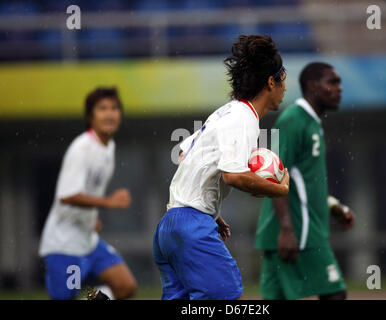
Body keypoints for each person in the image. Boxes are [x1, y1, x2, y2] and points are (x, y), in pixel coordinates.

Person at [153, 35, 289, 300]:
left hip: (170, 225)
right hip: (190, 225)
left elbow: (185, 156)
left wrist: (211, 211)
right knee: (228, 300)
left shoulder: (224, 112)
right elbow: (233, 175)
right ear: (271, 82)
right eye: (283, 78)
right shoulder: (244, 118)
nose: (286, 87)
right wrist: (279, 189)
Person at [255, 62, 355, 300]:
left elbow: (303, 179)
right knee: (335, 294)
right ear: (312, 86)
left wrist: (332, 205)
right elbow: (274, 176)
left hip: (291, 232)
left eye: (339, 83)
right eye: (332, 82)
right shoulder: (293, 119)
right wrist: (287, 230)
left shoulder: (311, 122)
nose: (339, 89)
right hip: (300, 234)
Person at [39, 87, 137, 300]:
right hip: (65, 246)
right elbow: (67, 195)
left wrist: (90, 219)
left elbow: (85, 192)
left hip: (89, 241)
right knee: (66, 297)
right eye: (102, 109)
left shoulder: (108, 147)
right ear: (89, 117)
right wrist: (108, 202)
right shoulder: (81, 148)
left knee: (125, 286)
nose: (110, 113)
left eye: (114, 108)